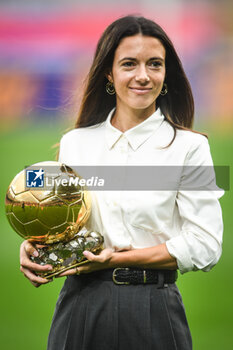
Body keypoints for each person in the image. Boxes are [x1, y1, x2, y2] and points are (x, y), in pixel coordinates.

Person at [20, 15, 223, 350]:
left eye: (154, 64)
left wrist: (119, 259)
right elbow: (63, 226)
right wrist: (36, 247)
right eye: (129, 64)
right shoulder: (76, 143)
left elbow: (206, 245)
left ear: (165, 74)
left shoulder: (191, 147)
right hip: (80, 307)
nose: (143, 76)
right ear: (109, 74)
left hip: (153, 309)